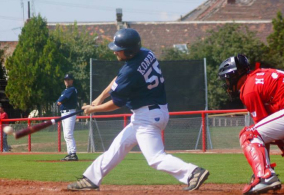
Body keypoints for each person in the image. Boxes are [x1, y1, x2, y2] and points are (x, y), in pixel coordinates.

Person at [67, 28, 209, 191]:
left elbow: (117, 103)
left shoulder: (130, 71)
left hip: (147, 117)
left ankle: (193, 172)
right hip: (153, 112)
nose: (115, 53)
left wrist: (94, 110)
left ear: (128, 52)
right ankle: (91, 179)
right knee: (118, 146)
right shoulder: (146, 53)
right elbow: (119, 79)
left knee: (155, 158)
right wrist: (100, 97)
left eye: (118, 50)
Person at [218, 54, 284, 194]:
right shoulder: (261, 75)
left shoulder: (249, 88)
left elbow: (262, 135)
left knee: (249, 135)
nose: (227, 83)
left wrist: (264, 169)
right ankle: (265, 173)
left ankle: (265, 176)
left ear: (236, 75)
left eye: (228, 78)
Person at [57, 73, 78, 161]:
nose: (67, 81)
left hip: (69, 112)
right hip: (64, 113)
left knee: (68, 134)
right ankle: (70, 153)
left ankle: (73, 153)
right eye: (65, 80)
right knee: (66, 135)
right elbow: (58, 101)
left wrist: (60, 101)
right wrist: (59, 101)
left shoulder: (72, 89)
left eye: (68, 79)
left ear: (72, 81)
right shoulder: (65, 90)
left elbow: (61, 100)